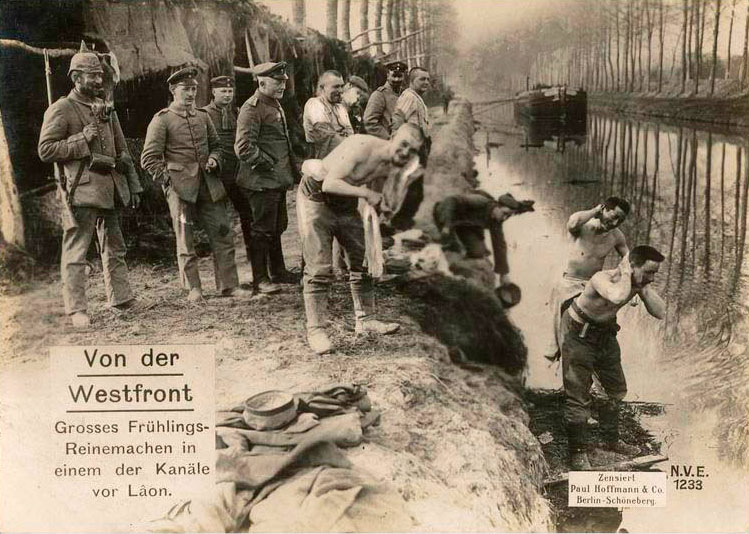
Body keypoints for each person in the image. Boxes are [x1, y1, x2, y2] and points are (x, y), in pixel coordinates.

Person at [38, 43, 143, 328]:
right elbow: (46, 150)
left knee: (115, 246)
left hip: (109, 188)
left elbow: (122, 152)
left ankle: (120, 298)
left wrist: (133, 186)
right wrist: (82, 139)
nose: (98, 80)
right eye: (92, 76)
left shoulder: (106, 108)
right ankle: (77, 310)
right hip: (82, 190)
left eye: (100, 75)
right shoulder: (62, 109)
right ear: (76, 79)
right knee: (77, 252)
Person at [297, 124, 424, 354]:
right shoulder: (361, 145)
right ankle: (316, 331)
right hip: (316, 197)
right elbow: (330, 183)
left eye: (412, 150)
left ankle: (366, 319)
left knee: (365, 257)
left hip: (345, 203)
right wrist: (366, 194)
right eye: (403, 144)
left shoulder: (395, 165)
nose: (405, 152)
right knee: (318, 267)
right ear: (392, 136)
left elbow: (380, 194)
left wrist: (382, 213)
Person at [141, 66, 249, 303]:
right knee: (185, 238)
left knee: (222, 232)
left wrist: (214, 159)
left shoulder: (203, 116)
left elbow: (218, 146)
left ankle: (229, 285)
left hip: (209, 185)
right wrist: (168, 182)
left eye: (193, 89)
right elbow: (149, 158)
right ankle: (193, 288)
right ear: (173, 90)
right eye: (185, 89)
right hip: (180, 189)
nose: (190, 94)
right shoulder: (162, 120)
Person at [563, 245, 666, 470]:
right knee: (578, 395)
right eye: (649, 272)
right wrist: (629, 275)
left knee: (616, 389)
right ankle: (578, 452)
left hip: (605, 334)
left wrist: (644, 289)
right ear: (631, 267)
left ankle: (610, 440)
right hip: (579, 334)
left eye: (654, 273)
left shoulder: (638, 285)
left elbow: (661, 312)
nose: (651, 278)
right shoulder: (602, 278)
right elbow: (617, 294)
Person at [234, 61, 300, 294]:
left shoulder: (274, 105)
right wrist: (269, 165)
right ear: (262, 82)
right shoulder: (251, 108)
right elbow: (243, 147)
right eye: (277, 81)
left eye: (283, 81)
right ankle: (260, 279)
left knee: (277, 226)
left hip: (276, 180)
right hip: (261, 181)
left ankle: (278, 271)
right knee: (262, 230)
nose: (283, 84)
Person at [544, 197, 631, 362]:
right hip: (569, 280)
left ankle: (600, 360)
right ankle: (555, 349)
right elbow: (572, 222)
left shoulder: (616, 236)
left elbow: (628, 259)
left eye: (620, 220)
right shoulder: (583, 225)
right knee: (562, 320)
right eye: (613, 217)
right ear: (603, 209)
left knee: (602, 320)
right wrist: (595, 211)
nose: (615, 223)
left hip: (593, 285)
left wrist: (629, 282)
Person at [199, 75, 253, 262]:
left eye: (230, 91)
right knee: (221, 223)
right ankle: (224, 265)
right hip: (217, 175)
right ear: (213, 92)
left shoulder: (236, 113)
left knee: (248, 215)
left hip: (237, 175)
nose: (227, 95)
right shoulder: (203, 114)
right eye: (223, 91)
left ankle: (253, 258)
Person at [433, 191, 534, 289]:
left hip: (464, 226)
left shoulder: (496, 220)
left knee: (478, 252)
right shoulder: (480, 201)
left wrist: (503, 274)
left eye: (507, 216)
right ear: (497, 207)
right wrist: (446, 225)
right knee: (454, 250)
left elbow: (499, 244)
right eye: (504, 213)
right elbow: (452, 200)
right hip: (447, 216)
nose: (504, 218)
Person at [303, 70, 354, 159]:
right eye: (336, 87)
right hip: (322, 159)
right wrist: (353, 149)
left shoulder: (340, 108)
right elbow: (327, 136)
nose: (341, 90)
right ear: (322, 88)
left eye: (342, 86)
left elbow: (350, 133)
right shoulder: (314, 104)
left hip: (343, 156)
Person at [391, 66, 431, 164]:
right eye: (422, 79)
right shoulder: (409, 97)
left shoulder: (416, 97)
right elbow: (397, 122)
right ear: (412, 81)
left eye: (428, 79)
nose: (426, 82)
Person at [363, 60, 407, 140]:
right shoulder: (379, 95)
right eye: (394, 76)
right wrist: (388, 138)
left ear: (404, 77)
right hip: (387, 144)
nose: (397, 79)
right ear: (388, 76)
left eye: (400, 76)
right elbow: (370, 122)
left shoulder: (405, 94)